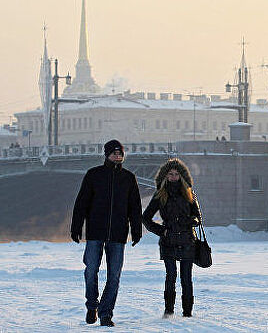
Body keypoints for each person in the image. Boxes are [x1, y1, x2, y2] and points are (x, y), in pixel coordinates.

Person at [71, 139, 142, 327]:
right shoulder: (94, 175)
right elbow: (82, 203)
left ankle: (105, 313)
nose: (117, 156)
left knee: (114, 276)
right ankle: (91, 304)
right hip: (95, 232)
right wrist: (76, 226)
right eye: (114, 153)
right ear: (107, 154)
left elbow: (134, 206)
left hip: (118, 234)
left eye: (120, 153)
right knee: (91, 270)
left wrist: (136, 229)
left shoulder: (128, 178)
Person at [142, 158, 202, 318]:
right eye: (170, 174)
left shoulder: (189, 194)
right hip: (169, 241)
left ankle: (187, 312)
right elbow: (146, 218)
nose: (174, 177)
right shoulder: (160, 195)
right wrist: (162, 231)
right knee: (171, 276)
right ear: (165, 176)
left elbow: (197, 217)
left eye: (176, 174)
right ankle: (169, 310)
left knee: (186, 278)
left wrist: (188, 221)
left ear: (181, 176)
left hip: (187, 240)